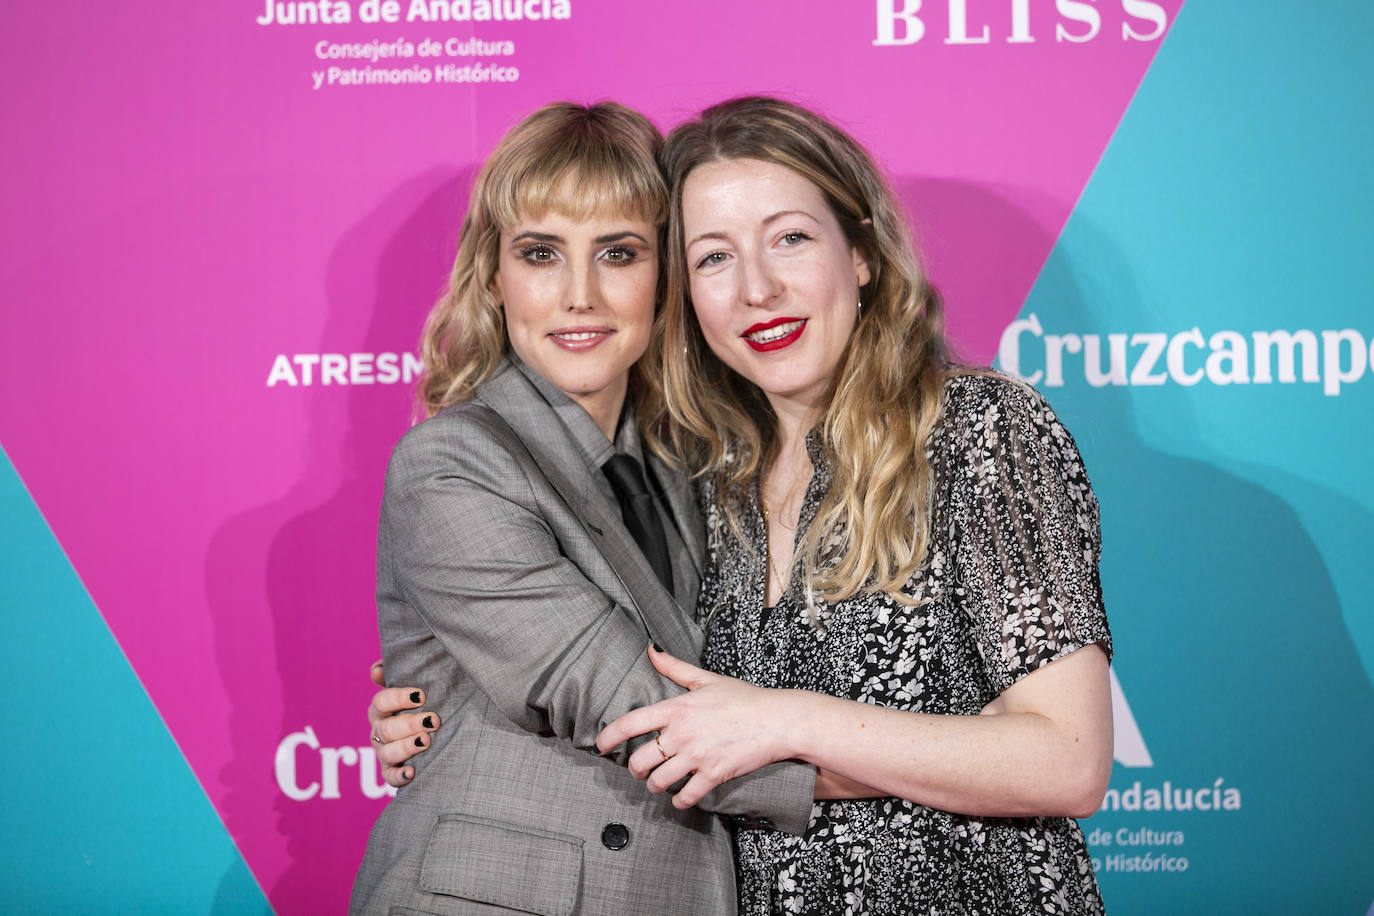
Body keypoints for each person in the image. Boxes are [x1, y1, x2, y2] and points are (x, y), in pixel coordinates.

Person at [376, 96, 1113, 915]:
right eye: (715, 257)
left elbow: (1069, 761)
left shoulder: (975, 429)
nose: (758, 288)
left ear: (861, 253)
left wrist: (789, 720)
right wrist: (449, 699)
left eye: (790, 238)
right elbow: (631, 698)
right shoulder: (720, 471)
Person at [349, 101, 816, 916]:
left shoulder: (694, 465)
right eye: (540, 253)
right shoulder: (452, 464)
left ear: (665, 276)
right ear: (493, 276)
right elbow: (639, 710)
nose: (579, 295)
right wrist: (924, 767)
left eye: (618, 253)